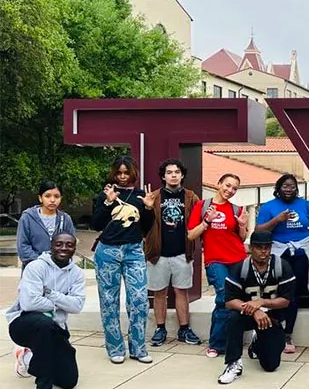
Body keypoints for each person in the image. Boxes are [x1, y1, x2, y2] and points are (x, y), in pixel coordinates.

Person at [6, 234, 84, 389]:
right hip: (23, 323)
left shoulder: (77, 274)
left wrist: (49, 293)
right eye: (59, 244)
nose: (64, 248)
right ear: (51, 246)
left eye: (69, 245)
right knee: (44, 325)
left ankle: (27, 356)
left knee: (69, 380)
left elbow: (78, 305)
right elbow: (29, 303)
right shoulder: (36, 267)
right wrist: (63, 303)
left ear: (74, 249)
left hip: (56, 327)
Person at [91, 155, 155, 364]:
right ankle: (115, 348)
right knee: (109, 301)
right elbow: (96, 223)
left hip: (133, 250)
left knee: (139, 300)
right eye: (119, 173)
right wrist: (109, 202)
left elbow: (145, 227)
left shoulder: (140, 195)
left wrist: (147, 208)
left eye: (126, 172)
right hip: (107, 251)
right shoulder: (105, 194)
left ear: (133, 173)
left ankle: (138, 347)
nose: (122, 176)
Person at [256, 174, 309, 352]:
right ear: (278, 188)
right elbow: (259, 230)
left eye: (292, 186)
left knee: (293, 292)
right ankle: (269, 331)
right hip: (278, 251)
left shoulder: (306, 205)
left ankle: (288, 335)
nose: (288, 189)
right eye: (285, 186)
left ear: (297, 188)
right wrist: (277, 220)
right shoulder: (269, 207)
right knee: (275, 290)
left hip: (301, 251)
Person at [217, 231, 295, 384]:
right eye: (259, 247)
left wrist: (261, 302)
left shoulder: (281, 266)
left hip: (271, 317)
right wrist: (255, 310)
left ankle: (256, 343)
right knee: (233, 317)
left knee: (271, 365)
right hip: (246, 315)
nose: (263, 251)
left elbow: (286, 301)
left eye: (267, 247)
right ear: (251, 248)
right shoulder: (240, 268)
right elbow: (229, 301)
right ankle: (233, 363)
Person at [187, 173, 250, 358]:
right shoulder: (202, 206)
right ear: (219, 184)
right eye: (227, 185)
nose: (230, 190)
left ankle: (234, 339)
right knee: (223, 298)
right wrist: (206, 221)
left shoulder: (237, 209)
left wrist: (242, 226)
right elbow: (191, 235)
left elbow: (242, 238)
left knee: (237, 298)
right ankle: (216, 344)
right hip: (215, 260)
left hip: (238, 260)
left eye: (234, 188)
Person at [144, 158, 202, 347]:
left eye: (177, 172)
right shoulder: (154, 196)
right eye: (169, 172)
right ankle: (160, 328)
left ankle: (184, 329)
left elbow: (199, 220)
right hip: (157, 254)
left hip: (182, 253)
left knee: (181, 291)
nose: (173, 175)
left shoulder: (191, 197)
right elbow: (143, 226)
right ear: (163, 176)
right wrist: (146, 207)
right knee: (159, 293)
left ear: (182, 175)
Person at [16, 181, 76, 270]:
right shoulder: (27, 217)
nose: (52, 200)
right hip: (34, 269)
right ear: (40, 198)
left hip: (59, 270)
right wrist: (42, 263)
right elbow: (23, 246)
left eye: (56, 196)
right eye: (47, 196)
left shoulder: (66, 219)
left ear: (61, 198)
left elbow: (70, 244)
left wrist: (58, 262)